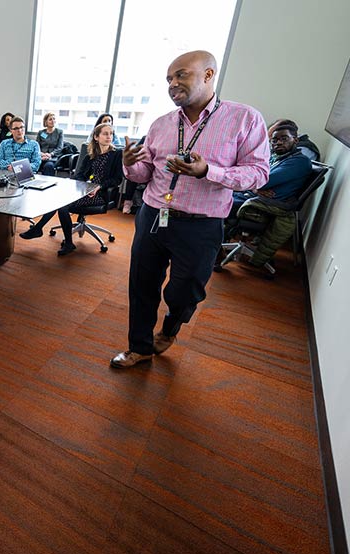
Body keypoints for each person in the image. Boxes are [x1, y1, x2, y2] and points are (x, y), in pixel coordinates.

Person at [110, 50, 269, 369]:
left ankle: (170, 327)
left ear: (209, 75)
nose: (172, 84)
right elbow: (147, 174)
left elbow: (259, 173)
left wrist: (208, 171)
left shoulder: (244, 118)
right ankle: (138, 347)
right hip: (154, 216)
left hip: (202, 225)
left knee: (185, 293)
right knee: (141, 285)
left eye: (181, 74)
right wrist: (130, 166)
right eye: (168, 78)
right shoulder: (161, 124)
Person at [20, 123, 123, 255]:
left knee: (63, 207)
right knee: (58, 201)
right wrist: (84, 185)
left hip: (101, 194)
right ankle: (39, 229)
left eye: (111, 133)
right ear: (96, 137)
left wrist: (98, 187)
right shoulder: (90, 156)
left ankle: (65, 242)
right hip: (84, 190)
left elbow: (117, 179)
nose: (109, 136)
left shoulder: (116, 154)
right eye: (105, 133)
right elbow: (79, 175)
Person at [222, 122, 312, 270]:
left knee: (220, 202)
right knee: (220, 193)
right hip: (254, 195)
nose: (278, 143)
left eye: (284, 138)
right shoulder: (280, 157)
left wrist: (256, 187)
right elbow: (256, 175)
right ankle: (215, 243)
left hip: (264, 205)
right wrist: (256, 187)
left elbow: (262, 180)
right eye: (274, 140)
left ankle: (213, 250)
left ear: (295, 140)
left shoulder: (299, 162)